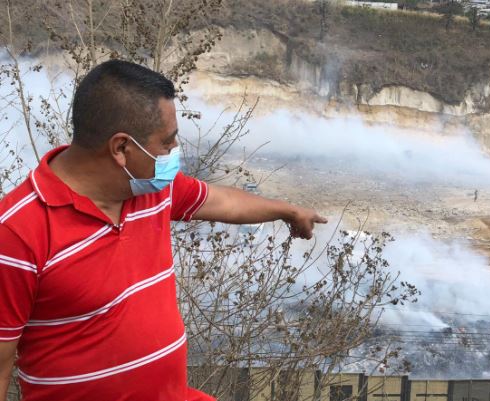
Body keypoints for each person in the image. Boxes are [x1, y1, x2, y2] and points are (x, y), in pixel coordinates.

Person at [0, 60, 327, 401]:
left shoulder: (152, 189)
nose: (174, 154)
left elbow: (221, 202)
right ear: (121, 148)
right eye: (167, 144)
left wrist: (287, 211)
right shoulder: (17, 233)